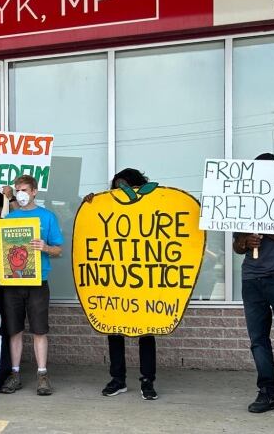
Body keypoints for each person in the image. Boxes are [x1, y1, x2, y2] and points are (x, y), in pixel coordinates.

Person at [84, 168, 159, 400]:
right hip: (115, 280)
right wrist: (90, 206)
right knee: (114, 330)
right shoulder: (110, 208)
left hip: (143, 281)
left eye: (125, 187)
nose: (119, 192)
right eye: (116, 188)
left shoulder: (152, 206)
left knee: (147, 331)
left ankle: (148, 381)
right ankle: (118, 379)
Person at [0, 175, 63, 396]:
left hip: (38, 281)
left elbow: (59, 249)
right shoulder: (8, 218)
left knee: (39, 330)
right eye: (16, 190)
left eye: (23, 189)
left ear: (34, 191)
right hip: (12, 282)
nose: (19, 193)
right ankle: (15, 374)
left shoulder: (47, 217)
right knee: (14, 330)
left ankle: (42, 374)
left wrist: (46, 247)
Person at [233, 153, 274, 414]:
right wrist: (246, 241)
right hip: (252, 279)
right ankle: (268, 392)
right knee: (258, 339)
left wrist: (267, 229)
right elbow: (236, 245)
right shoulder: (245, 205)